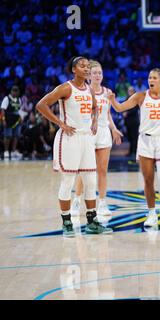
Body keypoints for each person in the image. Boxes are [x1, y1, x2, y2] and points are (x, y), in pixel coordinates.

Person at [35, 56, 112, 237]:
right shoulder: (65, 88)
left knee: (91, 181)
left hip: (86, 139)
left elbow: (95, 107)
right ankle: (67, 222)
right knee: (68, 181)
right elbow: (41, 105)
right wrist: (60, 123)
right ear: (74, 70)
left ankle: (92, 222)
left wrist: (94, 122)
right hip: (69, 138)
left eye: (88, 66)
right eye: (82, 66)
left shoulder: (89, 89)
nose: (86, 69)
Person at [108, 68, 160, 228]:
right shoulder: (141, 96)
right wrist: (113, 100)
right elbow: (120, 108)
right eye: (150, 77)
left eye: (154, 78)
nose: (151, 80)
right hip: (145, 142)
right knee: (148, 180)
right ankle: (151, 213)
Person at [71, 60, 123, 216]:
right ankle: (77, 200)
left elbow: (108, 114)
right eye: (94, 73)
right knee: (84, 170)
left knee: (102, 171)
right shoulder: (84, 91)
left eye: (100, 73)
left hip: (103, 132)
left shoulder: (107, 92)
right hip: (88, 131)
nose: (97, 75)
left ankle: (102, 202)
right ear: (89, 75)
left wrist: (114, 129)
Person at [1, 85, 23, 160]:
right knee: (8, 136)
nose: (15, 92)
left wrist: (21, 118)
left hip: (16, 121)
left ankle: (13, 151)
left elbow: (19, 110)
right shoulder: (6, 99)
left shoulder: (19, 100)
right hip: (8, 120)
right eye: (14, 90)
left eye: (16, 91)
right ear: (11, 91)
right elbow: (2, 110)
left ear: (18, 92)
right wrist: (3, 120)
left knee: (16, 136)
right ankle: (6, 151)